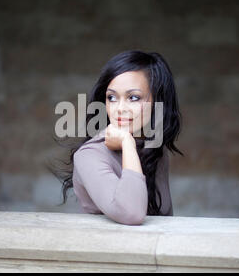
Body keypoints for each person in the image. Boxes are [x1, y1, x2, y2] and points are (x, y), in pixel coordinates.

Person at [55, 50, 183, 225]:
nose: (120, 108)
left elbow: (165, 219)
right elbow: (131, 213)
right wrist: (127, 143)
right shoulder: (90, 155)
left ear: (158, 101)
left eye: (133, 97)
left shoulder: (154, 150)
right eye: (112, 97)